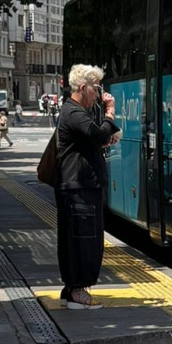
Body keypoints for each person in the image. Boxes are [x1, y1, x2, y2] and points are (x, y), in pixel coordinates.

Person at [55, 64, 121, 309]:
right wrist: (110, 112)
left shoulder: (74, 112)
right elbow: (100, 134)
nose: (99, 94)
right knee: (83, 239)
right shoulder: (74, 112)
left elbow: (93, 138)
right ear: (83, 88)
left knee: (80, 237)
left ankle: (73, 288)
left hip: (79, 184)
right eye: (96, 88)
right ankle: (77, 290)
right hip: (78, 186)